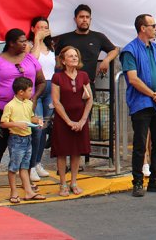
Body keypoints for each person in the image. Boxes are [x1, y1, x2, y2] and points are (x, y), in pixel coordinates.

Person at [0, 29, 46, 197]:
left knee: (26, 146)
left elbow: (41, 81)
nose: (25, 44)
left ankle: (27, 181)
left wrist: (34, 98)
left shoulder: (30, 58)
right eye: (21, 41)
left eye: (26, 41)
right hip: (2, 110)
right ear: (11, 43)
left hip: (25, 111)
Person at [121, 14, 156, 197]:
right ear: (143, 28)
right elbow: (133, 79)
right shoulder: (130, 50)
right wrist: (153, 94)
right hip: (141, 103)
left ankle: (155, 180)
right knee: (140, 143)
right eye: (153, 25)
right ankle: (137, 182)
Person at [51, 45, 93, 197]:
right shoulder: (57, 77)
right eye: (70, 56)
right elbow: (56, 101)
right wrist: (68, 121)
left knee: (76, 152)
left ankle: (74, 182)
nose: (74, 58)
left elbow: (90, 100)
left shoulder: (83, 75)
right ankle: (62, 183)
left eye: (76, 55)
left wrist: (82, 120)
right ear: (63, 60)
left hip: (80, 118)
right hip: (63, 119)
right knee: (62, 152)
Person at [0, 76, 45, 203]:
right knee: (14, 167)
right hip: (16, 138)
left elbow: (31, 118)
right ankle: (13, 192)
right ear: (21, 92)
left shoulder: (29, 103)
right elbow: (3, 123)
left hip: (27, 137)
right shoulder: (10, 106)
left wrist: (38, 121)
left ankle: (28, 191)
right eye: (30, 90)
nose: (31, 93)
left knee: (24, 166)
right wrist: (16, 124)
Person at [55, 4, 119, 83]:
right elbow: (56, 56)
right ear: (75, 19)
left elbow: (115, 50)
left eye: (87, 17)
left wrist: (106, 60)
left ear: (90, 19)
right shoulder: (65, 38)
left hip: (89, 84)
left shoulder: (98, 37)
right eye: (81, 17)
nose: (85, 20)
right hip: (67, 85)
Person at [28, 16, 55, 181]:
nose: (44, 30)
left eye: (46, 27)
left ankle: (38, 162)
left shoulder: (51, 47)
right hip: (37, 88)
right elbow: (33, 60)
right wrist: (37, 40)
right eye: (40, 27)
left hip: (50, 88)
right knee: (36, 128)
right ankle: (30, 165)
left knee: (45, 127)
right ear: (33, 29)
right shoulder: (30, 46)